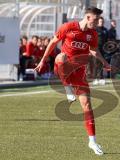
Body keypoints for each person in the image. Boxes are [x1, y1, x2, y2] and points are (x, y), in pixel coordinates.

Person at [34, 6, 111, 156]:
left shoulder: (92, 34)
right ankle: (67, 88)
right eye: (95, 21)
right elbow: (52, 42)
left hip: (79, 72)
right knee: (61, 57)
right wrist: (43, 61)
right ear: (88, 17)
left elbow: (94, 50)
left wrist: (105, 63)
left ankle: (92, 141)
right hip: (63, 67)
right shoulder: (68, 27)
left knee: (87, 105)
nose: (96, 24)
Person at [92, 16, 108, 85]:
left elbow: (107, 40)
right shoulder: (94, 29)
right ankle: (95, 79)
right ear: (98, 22)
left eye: (102, 22)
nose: (101, 23)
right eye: (100, 21)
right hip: (96, 49)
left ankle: (101, 78)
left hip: (103, 50)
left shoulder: (105, 30)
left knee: (102, 64)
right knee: (96, 64)